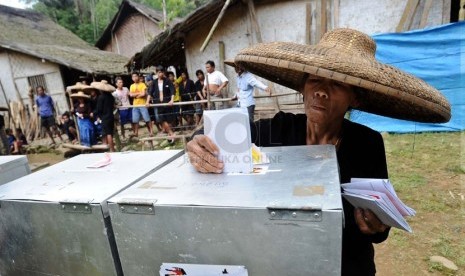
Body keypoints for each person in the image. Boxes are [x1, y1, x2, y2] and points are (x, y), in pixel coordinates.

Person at [186, 28, 451, 275]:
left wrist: (376, 227)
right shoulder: (278, 130)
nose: (322, 91)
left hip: (346, 265)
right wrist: (198, 141)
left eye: (337, 84)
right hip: (284, 262)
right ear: (302, 87)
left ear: (355, 98)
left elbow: (380, 228)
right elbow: (221, 136)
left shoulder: (367, 144)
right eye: (314, 79)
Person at [148, 66, 175, 144]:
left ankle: (170, 135)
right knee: (162, 120)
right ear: (157, 73)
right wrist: (147, 102)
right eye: (159, 72)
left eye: (162, 72)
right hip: (158, 103)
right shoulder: (154, 82)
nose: (161, 74)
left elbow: (172, 91)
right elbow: (150, 92)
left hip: (167, 103)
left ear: (164, 73)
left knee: (169, 120)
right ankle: (171, 134)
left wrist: (172, 100)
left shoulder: (168, 81)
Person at [93, 80, 116, 152]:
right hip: (111, 116)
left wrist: (94, 113)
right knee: (109, 133)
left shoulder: (101, 97)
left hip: (105, 117)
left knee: (107, 133)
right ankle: (110, 149)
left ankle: (111, 149)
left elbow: (99, 109)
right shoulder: (111, 97)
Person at [129, 72, 153, 137]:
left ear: (138, 77)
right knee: (135, 120)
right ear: (132, 78)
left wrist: (135, 95)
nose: (134, 78)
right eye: (133, 77)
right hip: (135, 105)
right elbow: (131, 95)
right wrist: (139, 94)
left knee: (147, 119)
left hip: (143, 104)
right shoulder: (132, 86)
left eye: (136, 76)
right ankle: (136, 133)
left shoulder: (142, 84)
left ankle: (151, 132)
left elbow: (143, 94)